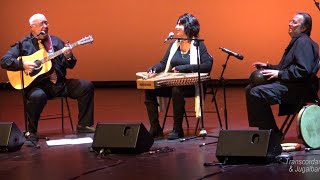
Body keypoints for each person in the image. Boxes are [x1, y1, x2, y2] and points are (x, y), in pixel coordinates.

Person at [1, 13, 95, 141]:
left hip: (59, 84)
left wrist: (68, 56)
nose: (45, 26)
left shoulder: (56, 42)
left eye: (46, 23)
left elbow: (70, 64)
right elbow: (4, 60)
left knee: (86, 86)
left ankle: (84, 124)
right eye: (41, 24)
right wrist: (22, 64)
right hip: (38, 86)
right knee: (37, 96)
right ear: (32, 27)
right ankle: (31, 131)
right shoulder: (24, 44)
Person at [246, 12, 319, 141]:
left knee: (256, 93)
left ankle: (272, 135)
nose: (290, 24)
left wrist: (279, 74)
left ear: (304, 28)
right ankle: (266, 131)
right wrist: (268, 67)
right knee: (250, 89)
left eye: (294, 22)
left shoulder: (304, 43)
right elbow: (286, 68)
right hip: (291, 84)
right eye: (291, 21)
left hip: (299, 89)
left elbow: (303, 70)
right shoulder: (298, 42)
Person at [144, 13, 213, 140]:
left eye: (180, 24)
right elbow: (163, 64)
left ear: (189, 27)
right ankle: (155, 128)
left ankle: (177, 129)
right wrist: (154, 69)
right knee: (149, 88)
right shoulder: (174, 45)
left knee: (177, 89)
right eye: (177, 23)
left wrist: (184, 68)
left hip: (192, 86)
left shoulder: (199, 45)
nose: (176, 27)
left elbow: (206, 66)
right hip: (173, 84)